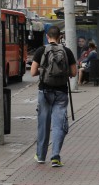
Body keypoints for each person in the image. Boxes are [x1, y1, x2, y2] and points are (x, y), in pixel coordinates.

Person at [30, 25, 77, 168]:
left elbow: (32, 72)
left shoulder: (41, 50)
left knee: (43, 125)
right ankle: (55, 156)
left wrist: (45, 71)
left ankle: (40, 155)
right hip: (61, 92)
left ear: (47, 36)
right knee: (58, 126)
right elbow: (74, 73)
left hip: (44, 91)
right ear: (60, 37)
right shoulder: (67, 51)